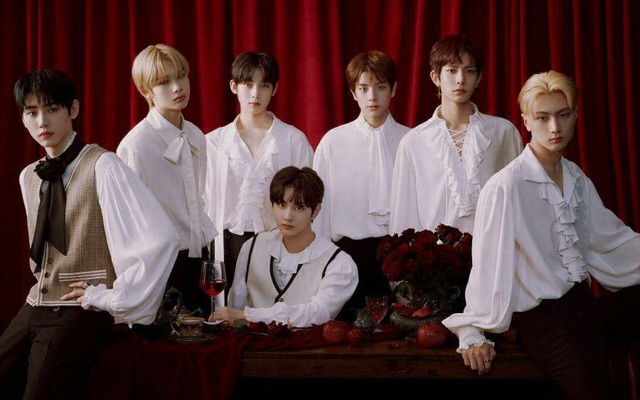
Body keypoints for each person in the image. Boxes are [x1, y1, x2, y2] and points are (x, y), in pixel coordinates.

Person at [442, 70, 640, 400]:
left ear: (576, 115)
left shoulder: (576, 178)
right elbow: (488, 268)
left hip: (583, 307)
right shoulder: (505, 187)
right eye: (543, 117)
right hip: (544, 322)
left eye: (563, 115)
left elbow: (615, 242)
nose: (555, 128)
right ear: (526, 121)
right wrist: (472, 331)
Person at [0, 69, 180, 399]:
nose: (42, 122)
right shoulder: (29, 177)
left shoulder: (104, 166)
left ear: (73, 109)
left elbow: (161, 239)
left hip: (81, 310)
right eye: (32, 112)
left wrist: (110, 297)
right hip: (36, 303)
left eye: (52, 109)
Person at [205, 51, 314, 305]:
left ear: (274, 89)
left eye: (264, 85)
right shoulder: (214, 143)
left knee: (273, 315)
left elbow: (308, 200)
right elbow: (204, 201)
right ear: (234, 86)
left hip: (278, 243)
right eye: (248, 84)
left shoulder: (293, 140)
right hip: (226, 245)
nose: (255, 94)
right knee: (226, 315)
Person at [117, 43, 217, 315]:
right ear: (145, 91)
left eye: (181, 76)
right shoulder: (136, 145)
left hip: (201, 256)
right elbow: (129, 221)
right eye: (164, 82)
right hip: (161, 263)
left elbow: (201, 195)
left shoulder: (196, 135)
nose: (177, 87)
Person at [389, 34, 523, 235]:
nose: (460, 79)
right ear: (436, 77)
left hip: (492, 250)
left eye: (469, 71)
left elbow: (518, 202)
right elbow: (403, 215)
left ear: (478, 78)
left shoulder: (503, 132)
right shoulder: (413, 142)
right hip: (432, 252)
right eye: (452, 70)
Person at [312, 50, 410, 319]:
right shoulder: (333, 142)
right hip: (348, 256)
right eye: (364, 88)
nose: (372, 97)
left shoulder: (412, 141)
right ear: (353, 93)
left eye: (380, 87)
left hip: (401, 258)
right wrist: (321, 267)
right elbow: (320, 211)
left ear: (393, 89)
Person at [210, 166, 358, 328]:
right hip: (251, 343)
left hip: (306, 345)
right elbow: (235, 310)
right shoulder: (252, 247)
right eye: (281, 205)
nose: (288, 216)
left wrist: (249, 316)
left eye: (299, 208)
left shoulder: (338, 263)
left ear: (315, 211)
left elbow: (318, 313)